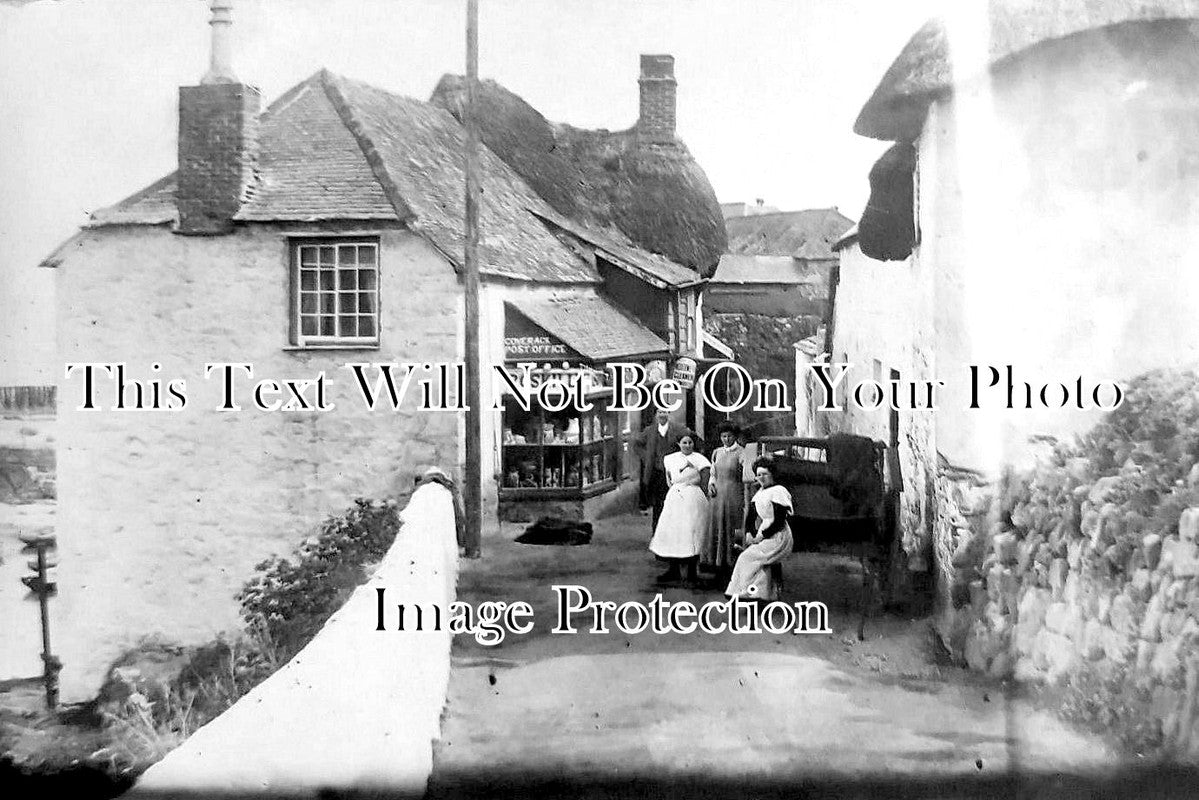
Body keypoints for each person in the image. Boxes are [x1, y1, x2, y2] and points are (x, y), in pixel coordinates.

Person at [725, 458, 793, 601]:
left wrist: (761, 537)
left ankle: (743, 591)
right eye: (758, 475)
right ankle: (760, 594)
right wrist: (750, 533)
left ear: (772, 474)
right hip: (765, 532)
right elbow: (751, 516)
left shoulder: (778, 491)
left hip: (778, 535)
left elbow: (779, 520)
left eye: (765, 474)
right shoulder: (760, 492)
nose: (761, 478)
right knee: (760, 563)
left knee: (747, 557)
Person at [648, 433, 711, 585]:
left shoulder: (700, 459)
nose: (687, 445)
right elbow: (669, 480)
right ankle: (673, 569)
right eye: (684, 442)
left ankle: (691, 571)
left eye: (690, 443)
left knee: (691, 531)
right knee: (673, 532)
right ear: (678, 443)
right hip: (675, 497)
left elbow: (706, 479)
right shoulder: (670, 459)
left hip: (692, 497)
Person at [633, 408, 689, 532]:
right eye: (659, 412)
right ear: (656, 415)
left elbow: (690, 440)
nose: (662, 415)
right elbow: (637, 444)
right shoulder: (650, 431)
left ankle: (672, 532)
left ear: (669, 414)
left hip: (673, 473)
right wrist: (646, 457)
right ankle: (657, 534)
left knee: (673, 503)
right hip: (656, 472)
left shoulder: (678, 429)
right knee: (657, 505)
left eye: (665, 412)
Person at [703, 422, 744, 582]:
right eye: (723, 436)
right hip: (717, 494)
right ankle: (716, 564)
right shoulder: (717, 452)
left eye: (729, 436)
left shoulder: (741, 452)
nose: (726, 439)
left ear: (735, 436)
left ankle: (730, 564)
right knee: (716, 526)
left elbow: (746, 473)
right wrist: (711, 484)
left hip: (733, 492)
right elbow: (713, 472)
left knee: (729, 526)